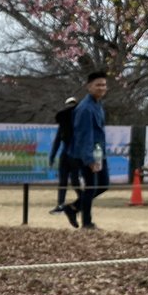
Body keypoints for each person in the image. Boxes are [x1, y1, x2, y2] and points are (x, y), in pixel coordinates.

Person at [63, 71, 109, 230]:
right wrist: (89, 160)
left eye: (104, 85)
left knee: (103, 185)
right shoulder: (85, 108)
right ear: (89, 86)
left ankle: (73, 207)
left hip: (99, 151)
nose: (101, 88)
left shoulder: (98, 104)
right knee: (90, 188)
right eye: (98, 85)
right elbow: (84, 136)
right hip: (87, 154)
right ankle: (87, 223)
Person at [49, 95, 80, 214]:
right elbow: (57, 140)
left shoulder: (78, 123)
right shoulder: (63, 123)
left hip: (74, 154)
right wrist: (52, 156)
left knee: (74, 181)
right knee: (63, 181)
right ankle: (60, 205)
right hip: (66, 154)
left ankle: (81, 202)